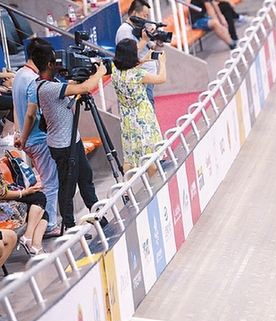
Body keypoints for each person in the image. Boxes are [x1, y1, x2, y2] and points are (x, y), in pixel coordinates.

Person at [30, 41, 106, 233]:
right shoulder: (47, 88)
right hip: (62, 145)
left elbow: (71, 86)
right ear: (49, 64)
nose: (59, 64)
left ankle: (97, 214)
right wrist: (99, 73)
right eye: (55, 61)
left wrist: (85, 73)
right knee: (68, 186)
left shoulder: (52, 83)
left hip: (73, 139)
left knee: (85, 177)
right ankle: (70, 227)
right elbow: (81, 89)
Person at [12, 37, 61, 238]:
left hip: (29, 140)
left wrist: (19, 135)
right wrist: (23, 137)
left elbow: (18, 108)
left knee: (46, 181)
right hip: (38, 139)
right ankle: (49, 226)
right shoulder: (32, 80)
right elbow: (32, 114)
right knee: (50, 183)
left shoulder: (19, 75)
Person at [112, 38, 167, 172]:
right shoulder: (138, 74)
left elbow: (128, 71)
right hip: (143, 117)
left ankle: (126, 190)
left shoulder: (115, 72)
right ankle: (154, 189)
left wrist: (143, 60)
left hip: (127, 119)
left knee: (129, 156)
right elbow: (161, 78)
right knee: (150, 153)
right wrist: (162, 63)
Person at [115, 0, 163, 108]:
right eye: (145, 15)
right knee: (147, 109)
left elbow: (152, 48)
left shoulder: (138, 30)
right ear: (135, 13)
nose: (146, 19)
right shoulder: (125, 31)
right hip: (139, 79)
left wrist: (158, 42)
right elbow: (129, 54)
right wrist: (145, 40)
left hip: (147, 77)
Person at [0, 173, 48, 256]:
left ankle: (33, 243)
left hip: (6, 198)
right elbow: (3, 194)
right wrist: (25, 192)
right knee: (39, 201)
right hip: (3, 206)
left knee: (40, 209)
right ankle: (32, 242)